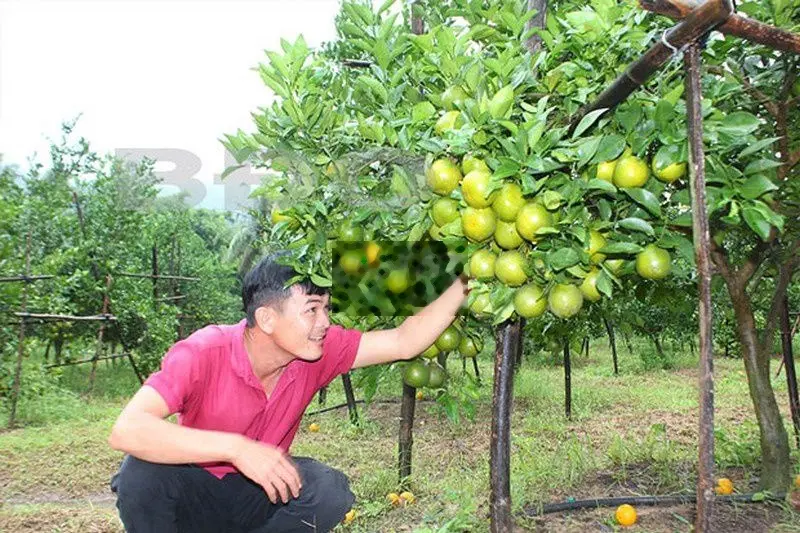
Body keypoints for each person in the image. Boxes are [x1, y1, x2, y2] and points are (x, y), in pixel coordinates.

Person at [108, 252, 471, 532]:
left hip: (259, 493)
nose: (325, 322)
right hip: (197, 494)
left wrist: (464, 277)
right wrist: (235, 448)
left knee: (329, 491)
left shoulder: (316, 353)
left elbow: (403, 341)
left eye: (326, 309)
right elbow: (128, 429)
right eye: (312, 310)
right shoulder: (204, 351)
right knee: (140, 474)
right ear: (266, 318)